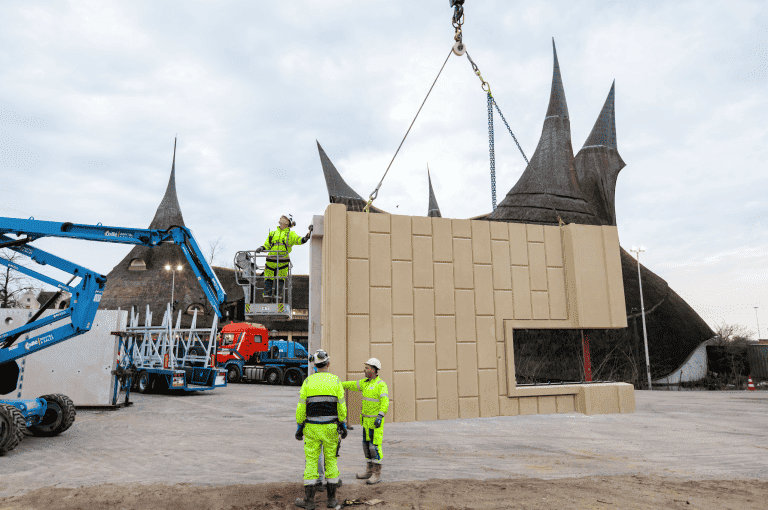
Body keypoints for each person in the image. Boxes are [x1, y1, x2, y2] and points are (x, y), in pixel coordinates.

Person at [295, 349, 347, 509]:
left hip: (311, 428)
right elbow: (342, 408)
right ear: (328, 364)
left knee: (311, 461)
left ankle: (309, 501)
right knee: (331, 461)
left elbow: (301, 409)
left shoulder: (308, 382)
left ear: (315, 366)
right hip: (331, 427)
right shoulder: (336, 381)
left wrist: (299, 426)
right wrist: (343, 424)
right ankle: (331, 500)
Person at [342, 358, 389, 484]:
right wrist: (337, 384)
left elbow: (385, 402)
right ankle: (369, 471)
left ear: (373, 370)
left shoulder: (381, 384)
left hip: (375, 422)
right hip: (366, 422)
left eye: (367, 368)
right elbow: (351, 385)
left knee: (375, 447)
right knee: (366, 446)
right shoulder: (365, 383)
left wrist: (380, 416)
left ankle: (376, 474)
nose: (365, 370)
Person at [256, 215, 312, 298]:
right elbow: (267, 245)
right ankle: (267, 297)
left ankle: (278, 297)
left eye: (285, 218)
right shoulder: (273, 233)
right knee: (268, 279)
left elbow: (299, 240)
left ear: (288, 223)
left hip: (283, 262)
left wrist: (306, 237)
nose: (282, 218)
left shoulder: (291, 234)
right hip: (270, 261)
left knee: (280, 280)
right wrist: (262, 248)